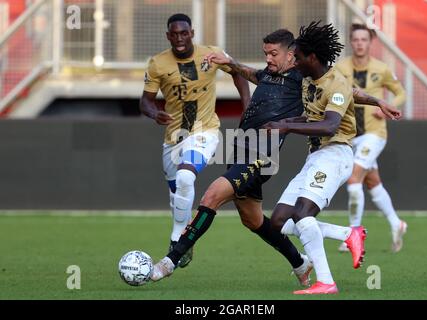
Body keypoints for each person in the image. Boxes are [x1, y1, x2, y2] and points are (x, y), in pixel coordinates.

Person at [149, 28, 401, 286]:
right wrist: (231, 63)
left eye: (273, 53)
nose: (268, 58)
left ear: (292, 55)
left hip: (262, 155)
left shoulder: (300, 77)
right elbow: (251, 74)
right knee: (256, 220)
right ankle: (301, 263)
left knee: (211, 195)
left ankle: (170, 260)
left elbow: (346, 91)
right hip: (240, 149)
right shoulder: (270, 74)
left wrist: (376, 101)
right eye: (265, 53)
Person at [264, 21, 400, 295]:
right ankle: (347, 234)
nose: (294, 60)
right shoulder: (308, 79)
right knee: (279, 221)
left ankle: (326, 282)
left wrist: (287, 127)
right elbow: (314, 115)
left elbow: (329, 125)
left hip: (336, 155)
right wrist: (285, 120)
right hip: (316, 157)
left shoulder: (335, 82)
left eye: (297, 56)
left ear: (311, 57)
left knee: (303, 215)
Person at [139, 13, 250, 268]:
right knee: (177, 192)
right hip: (173, 138)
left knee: (186, 177)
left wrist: (248, 105)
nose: (179, 38)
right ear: (168, 36)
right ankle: (180, 230)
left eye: (184, 33)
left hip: (205, 131)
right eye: (174, 34)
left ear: (192, 32)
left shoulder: (211, 54)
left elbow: (238, 73)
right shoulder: (157, 63)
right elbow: (145, 100)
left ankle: (178, 239)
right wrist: (155, 112)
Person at [335, 23, 407, 253]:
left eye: (364, 39)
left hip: (375, 133)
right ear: (351, 41)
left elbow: (400, 92)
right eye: (355, 39)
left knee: (354, 178)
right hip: (351, 134)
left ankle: (353, 234)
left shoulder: (382, 68)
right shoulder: (341, 67)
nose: (359, 43)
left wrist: (388, 106)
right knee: (372, 182)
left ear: (370, 42)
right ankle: (397, 223)